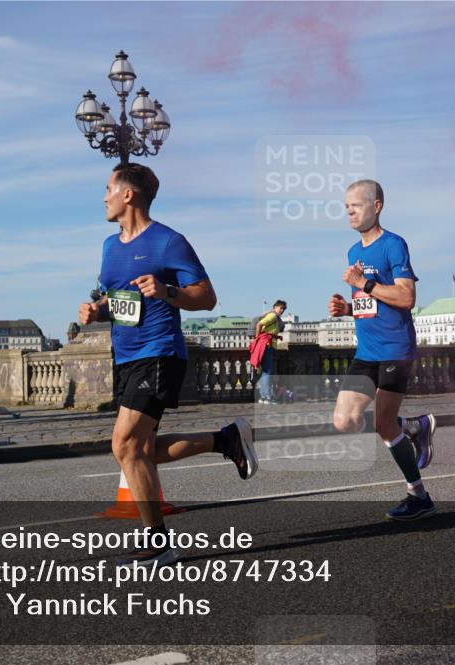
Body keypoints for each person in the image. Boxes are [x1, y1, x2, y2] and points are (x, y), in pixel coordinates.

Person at [79, 162, 257, 567]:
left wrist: (168, 290)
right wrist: (98, 311)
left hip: (158, 353)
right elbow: (122, 301)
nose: (103, 196)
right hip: (125, 356)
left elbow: (207, 297)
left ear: (129, 194)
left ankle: (160, 543)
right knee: (138, 452)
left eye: (108, 188)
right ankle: (224, 440)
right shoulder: (109, 246)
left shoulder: (168, 242)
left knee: (124, 445)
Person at [328, 180, 438, 521]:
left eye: (356, 205)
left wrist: (364, 283)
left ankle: (418, 496)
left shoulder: (393, 245)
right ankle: (413, 428)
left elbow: (406, 298)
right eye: (346, 206)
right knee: (344, 421)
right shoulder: (353, 252)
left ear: (376, 207)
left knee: (382, 423)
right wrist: (348, 309)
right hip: (367, 351)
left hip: (395, 350)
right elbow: (370, 303)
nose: (349, 211)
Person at [255, 300, 287, 404]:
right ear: (275, 307)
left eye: (283, 309)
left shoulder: (272, 316)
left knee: (264, 372)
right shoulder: (273, 316)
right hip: (267, 345)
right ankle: (268, 397)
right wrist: (257, 339)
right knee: (267, 372)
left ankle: (263, 397)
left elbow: (266, 329)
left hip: (266, 344)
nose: (282, 311)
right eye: (280, 308)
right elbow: (259, 324)